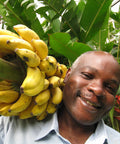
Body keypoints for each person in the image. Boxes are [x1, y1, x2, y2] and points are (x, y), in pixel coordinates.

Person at [0, 51, 120, 144]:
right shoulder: (11, 126)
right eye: (87, 76)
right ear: (68, 75)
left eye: (110, 87)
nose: (98, 90)